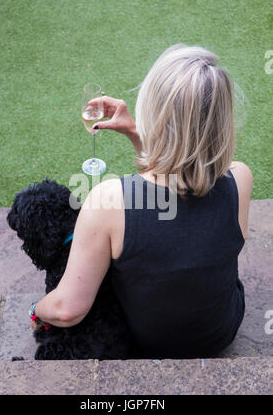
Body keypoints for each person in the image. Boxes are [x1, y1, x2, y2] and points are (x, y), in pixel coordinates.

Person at [32, 44, 253, 358]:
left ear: (154, 111)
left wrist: (36, 310)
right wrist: (136, 134)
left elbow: (68, 310)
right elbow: (175, 198)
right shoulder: (240, 179)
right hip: (219, 333)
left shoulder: (108, 202)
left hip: (147, 344)